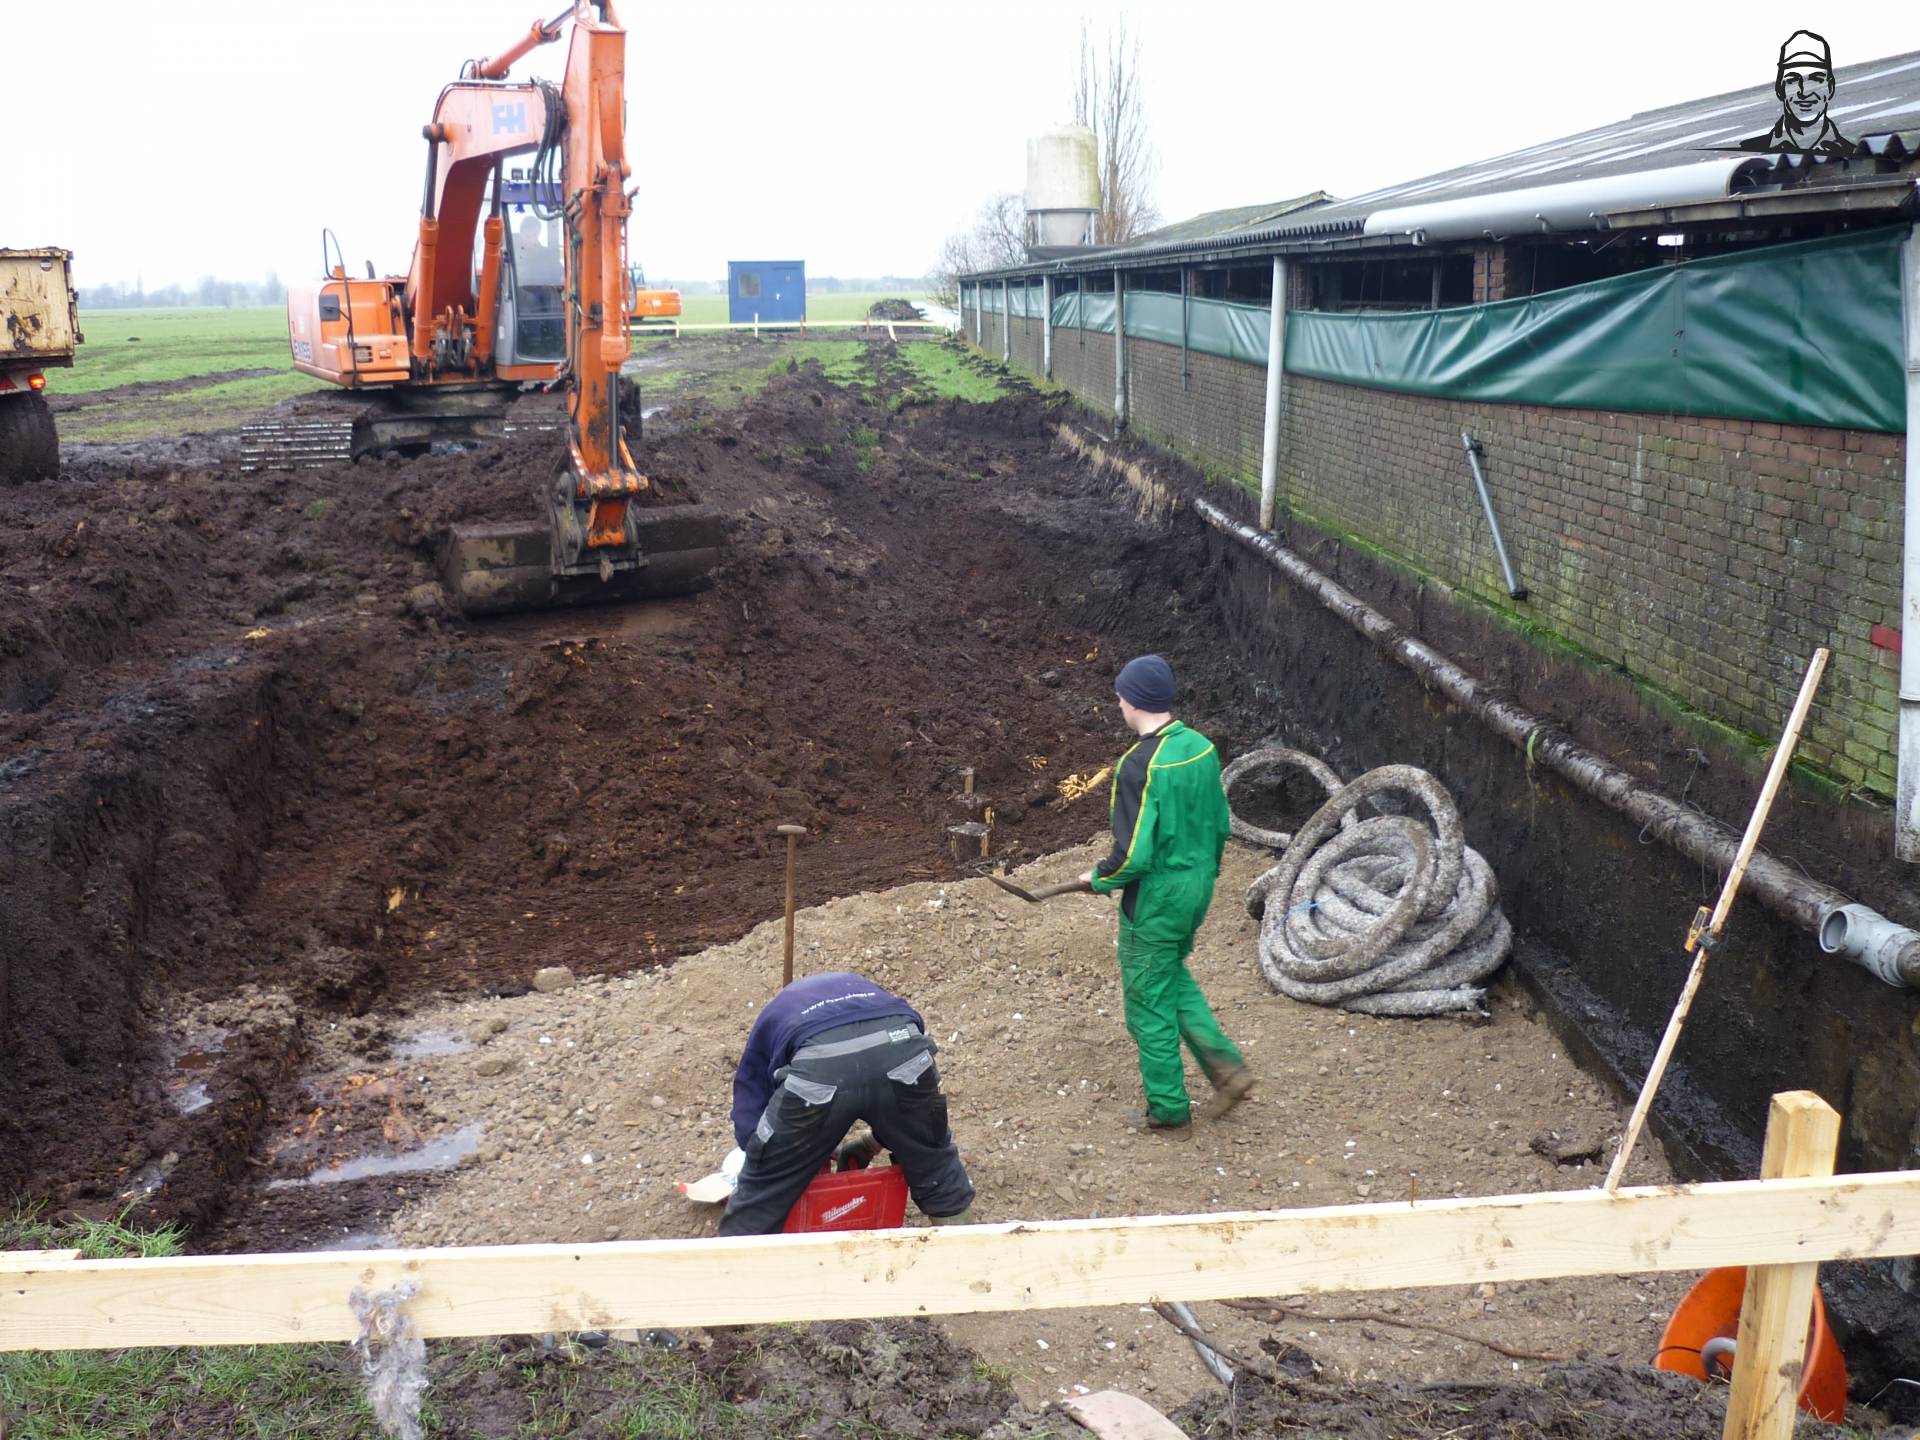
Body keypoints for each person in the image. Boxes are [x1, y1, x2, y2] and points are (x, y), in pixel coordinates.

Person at [1082, 655, 1254, 1135]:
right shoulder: (1200, 747)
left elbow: (1133, 855)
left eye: (1120, 696)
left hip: (1156, 898)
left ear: (1133, 701)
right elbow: (1220, 823)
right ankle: (1227, 1069)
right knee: (1170, 977)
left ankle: (1168, 1109)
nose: (1119, 703)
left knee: (1147, 1004)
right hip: (1198, 884)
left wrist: (1099, 877)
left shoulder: (1138, 765)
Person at [719, 970, 975, 1235]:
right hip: (902, 1044)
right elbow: (898, 1093)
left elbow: (751, 1100)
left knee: (763, 1193)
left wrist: (782, 1154)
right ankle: (966, 1249)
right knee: (935, 1164)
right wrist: (872, 1143)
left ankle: (737, 1256)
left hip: (821, 1065)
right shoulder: (864, 989)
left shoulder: (772, 1018)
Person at [1735, 31, 1856, 156]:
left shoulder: (1853, 154)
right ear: (1779, 90)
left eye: (1816, 79)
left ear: (1830, 88)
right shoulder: (1747, 153)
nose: (1803, 92)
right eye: (1792, 81)